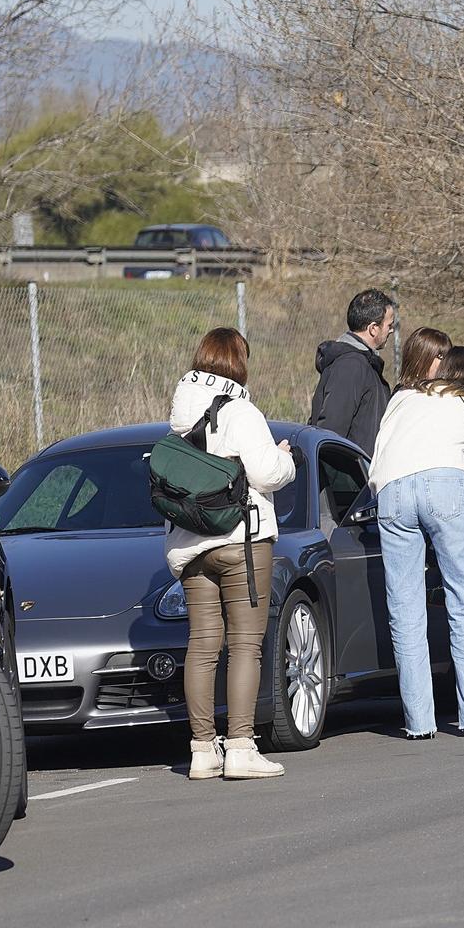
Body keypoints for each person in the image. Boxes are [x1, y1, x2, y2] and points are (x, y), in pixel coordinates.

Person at [166, 327, 297, 780]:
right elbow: (264, 473)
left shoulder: (180, 412)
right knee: (245, 645)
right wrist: (286, 458)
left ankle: (202, 751)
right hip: (243, 541)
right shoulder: (242, 410)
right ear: (239, 362)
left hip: (191, 544)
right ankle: (241, 746)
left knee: (202, 646)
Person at [368, 331, 464, 739]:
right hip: (444, 485)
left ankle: (419, 723)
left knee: (405, 610)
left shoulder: (403, 398)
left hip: (391, 491)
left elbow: (379, 451)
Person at [309, 288, 396, 455]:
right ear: (373, 329)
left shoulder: (362, 363)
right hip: (349, 475)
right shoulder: (351, 366)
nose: (391, 330)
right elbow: (332, 431)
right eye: (389, 325)